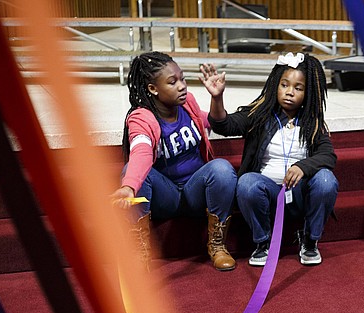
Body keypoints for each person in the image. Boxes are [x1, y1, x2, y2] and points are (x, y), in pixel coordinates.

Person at [200, 53, 338, 267]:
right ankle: (262, 243)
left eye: (298, 88)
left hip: (300, 195)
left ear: (308, 93)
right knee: (246, 182)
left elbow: (328, 155)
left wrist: (303, 166)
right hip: (268, 194)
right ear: (276, 84)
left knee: (326, 179)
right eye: (284, 85)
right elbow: (224, 125)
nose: (290, 92)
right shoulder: (260, 115)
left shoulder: (313, 123)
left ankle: (310, 241)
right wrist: (217, 98)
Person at [111, 51, 238, 272]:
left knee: (222, 168)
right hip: (164, 197)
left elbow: (213, 121)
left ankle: (217, 245)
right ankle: (138, 251)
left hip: (194, 192)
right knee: (134, 172)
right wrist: (129, 186)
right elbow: (141, 152)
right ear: (153, 89)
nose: (182, 86)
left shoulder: (187, 103)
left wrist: (217, 98)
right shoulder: (142, 117)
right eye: (172, 82)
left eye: (182, 79)